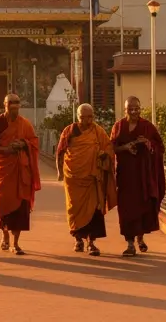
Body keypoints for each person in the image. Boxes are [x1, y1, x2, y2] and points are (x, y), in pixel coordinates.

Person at [56, 103, 117, 256]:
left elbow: (109, 148)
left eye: (90, 117)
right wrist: (59, 172)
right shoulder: (69, 131)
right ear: (78, 117)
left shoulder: (97, 131)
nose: (87, 120)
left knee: (95, 210)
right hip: (73, 177)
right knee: (74, 208)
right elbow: (60, 152)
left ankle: (91, 242)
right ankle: (78, 240)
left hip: (92, 178)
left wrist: (104, 154)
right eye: (83, 117)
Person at [0, 92, 40, 255]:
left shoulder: (25, 124)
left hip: (21, 171)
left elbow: (34, 142)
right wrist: (5, 150)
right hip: (3, 170)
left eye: (17, 102)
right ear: (5, 105)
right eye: (11, 102)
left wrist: (23, 143)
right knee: (3, 205)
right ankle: (5, 235)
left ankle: (16, 243)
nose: (14, 105)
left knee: (21, 206)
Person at [110, 95, 166, 256]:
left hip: (144, 177)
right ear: (125, 110)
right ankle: (130, 244)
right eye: (130, 109)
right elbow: (112, 147)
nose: (134, 111)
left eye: (137, 108)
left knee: (144, 208)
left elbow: (160, 147)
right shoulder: (119, 126)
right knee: (127, 211)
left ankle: (140, 238)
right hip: (126, 177)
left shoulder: (148, 127)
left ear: (140, 109)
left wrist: (148, 144)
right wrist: (126, 147)